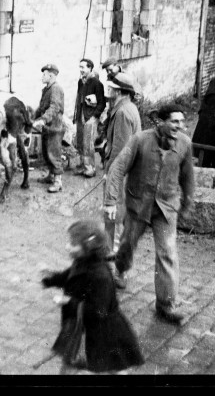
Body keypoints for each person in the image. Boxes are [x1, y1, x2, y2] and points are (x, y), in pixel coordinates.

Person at [103, 104, 195, 325]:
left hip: (166, 208)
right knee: (126, 245)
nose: (179, 126)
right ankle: (121, 271)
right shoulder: (140, 140)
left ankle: (166, 305)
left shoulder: (185, 144)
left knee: (168, 253)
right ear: (160, 122)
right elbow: (117, 168)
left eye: (181, 122)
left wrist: (186, 205)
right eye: (174, 121)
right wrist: (110, 201)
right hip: (139, 205)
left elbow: (188, 178)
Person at [41, 219, 144, 374]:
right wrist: (50, 279)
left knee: (110, 366)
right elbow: (69, 275)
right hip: (82, 326)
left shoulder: (100, 275)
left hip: (103, 331)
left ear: (88, 247)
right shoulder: (82, 261)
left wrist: (69, 302)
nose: (67, 246)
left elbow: (99, 310)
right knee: (71, 360)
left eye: (73, 244)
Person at [101, 71, 142, 287]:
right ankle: (114, 267)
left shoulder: (124, 113)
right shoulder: (124, 108)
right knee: (115, 222)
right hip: (124, 174)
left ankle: (117, 271)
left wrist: (111, 173)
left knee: (114, 222)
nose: (108, 91)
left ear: (119, 91)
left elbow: (121, 150)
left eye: (111, 88)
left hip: (121, 175)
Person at [32, 63, 66, 193]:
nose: (42, 76)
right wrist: (35, 118)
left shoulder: (56, 88)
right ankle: (51, 176)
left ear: (51, 75)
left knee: (54, 153)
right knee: (46, 152)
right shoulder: (47, 88)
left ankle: (58, 182)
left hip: (54, 126)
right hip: (48, 126)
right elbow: (42, 107)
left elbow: (54, 107)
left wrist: (43, 119)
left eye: (44, 74)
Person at [73, 59, 106, 178]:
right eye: (80, 67)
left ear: (90, 68)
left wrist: (94, 117)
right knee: (80, 142)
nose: (81, 70)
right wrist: (76, 115)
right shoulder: (81, 82)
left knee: (88, 143)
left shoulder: (97, 83)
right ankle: (82, 165)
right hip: (81, 115)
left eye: (83, 67)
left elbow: (102, 104)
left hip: (90, 117)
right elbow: (78, 100)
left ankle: (90, 168)